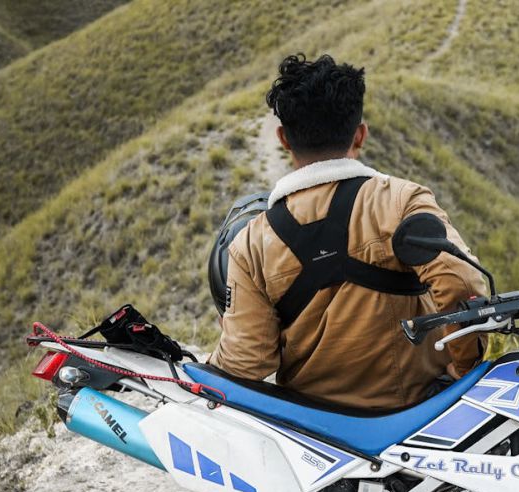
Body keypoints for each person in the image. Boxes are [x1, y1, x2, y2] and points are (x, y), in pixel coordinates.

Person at [207, 54, 487, 409]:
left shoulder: (251, 242)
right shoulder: (400, 200)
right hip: (419, 414)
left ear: (284, 140)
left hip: (319, 433)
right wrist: (463, 366)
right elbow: (462, 285)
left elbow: (245, 361)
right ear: (360, 134)